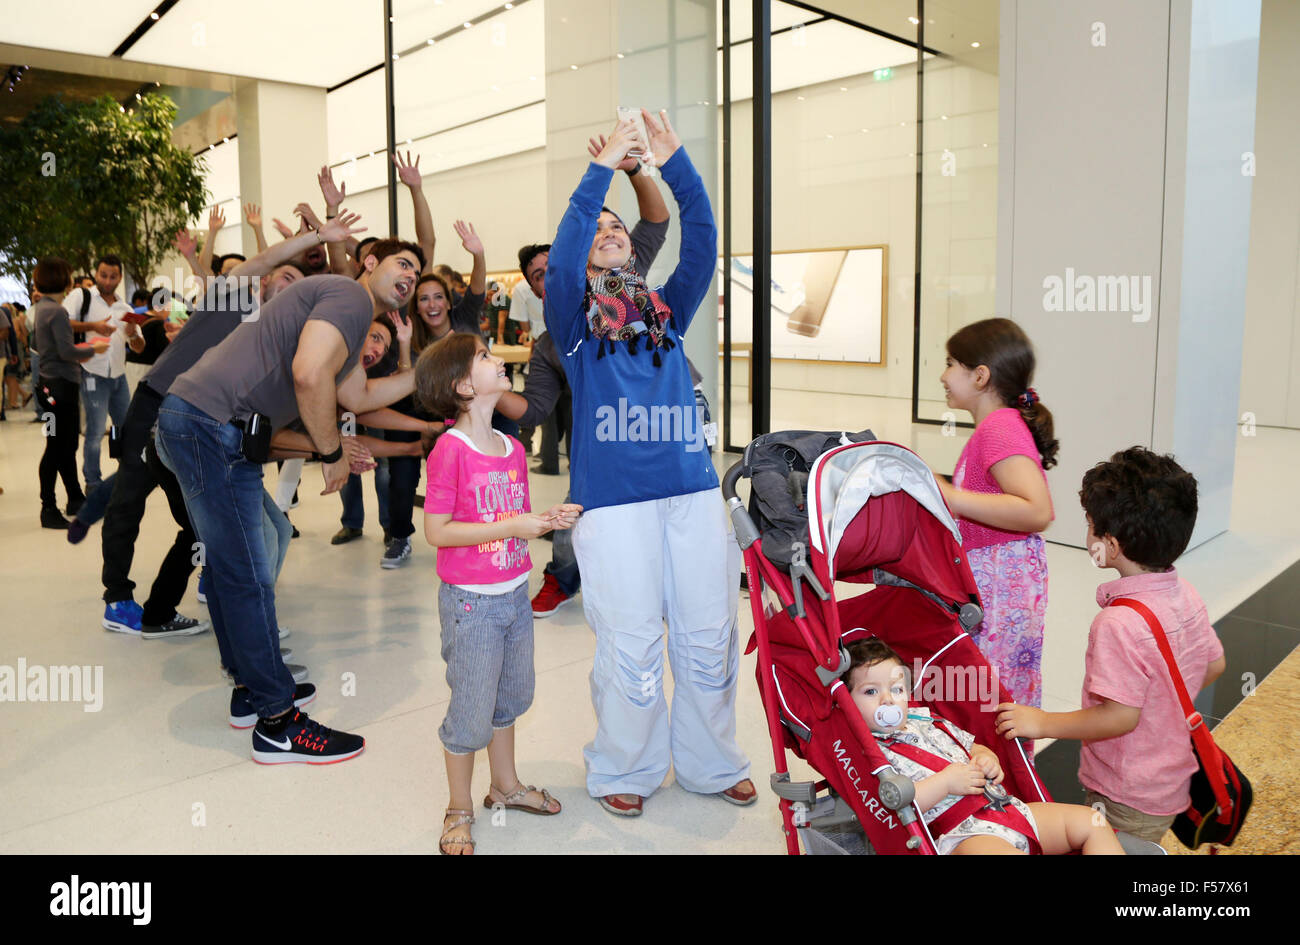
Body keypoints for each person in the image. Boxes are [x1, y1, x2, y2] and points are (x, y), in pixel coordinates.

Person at [546, 111, 752, 816]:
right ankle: (624, 766)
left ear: (633, 247)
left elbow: (704, 241)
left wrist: (674, 164)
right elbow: (570, 241)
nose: (607, 229)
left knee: (708, 635)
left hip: (692, 494)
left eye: (617, 226)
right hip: (614, 504)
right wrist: (603, 168)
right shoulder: (571, 324)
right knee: (630, 645)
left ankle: (711, 761)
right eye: (599, 227)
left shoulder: (666, 307)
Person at [154, 238, 424, 764]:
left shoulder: (344, 317)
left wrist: (434, 367)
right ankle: (277, 723)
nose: (412, 276)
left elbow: (359, 397)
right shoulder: (348, 297)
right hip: (212, 425)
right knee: (247, 576)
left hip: (208, 424)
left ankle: (252, 692)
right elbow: (308, 375)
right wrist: (331, 452)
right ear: (370, 264)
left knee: (240, 572)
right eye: (403, 264)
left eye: (418, 270)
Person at [99, 219, 357, 638]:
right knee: (129, 499)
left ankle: (175, 605)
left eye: (299, 286)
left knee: (200, 521)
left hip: (200, 424)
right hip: (158, 401)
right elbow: (265, 259)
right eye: (286, 279)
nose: (291, 289)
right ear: (266, 281)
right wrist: (315, 237)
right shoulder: (231, 301)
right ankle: (117, 598)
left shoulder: (284, 337)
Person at [995, 447, 1226, 843]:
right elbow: (1214, 665)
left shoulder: (1118, 624)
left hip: (1124, 793)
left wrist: (1042, 721)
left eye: (1090, 525)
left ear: (1111, 545)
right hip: (1170, 778)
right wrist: (1163, 710)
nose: (1087, 534)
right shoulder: (1186, 594)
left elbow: (1120, 718)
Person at [417, 332, 581, 854]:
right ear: (463, 384)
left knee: (511, 698)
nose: (498, 360)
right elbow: (438, 531)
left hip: (512, 593)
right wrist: (513, 525)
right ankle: (458, 806)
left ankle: (505, 787)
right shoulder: (450, 450)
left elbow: (510, 520)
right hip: (472, 602)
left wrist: (544, 521)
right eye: (485, 357)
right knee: (470, 708)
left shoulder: (511, 448)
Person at [842, 638, 1124, 854]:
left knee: (1091, 822)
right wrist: (945, 783)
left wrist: (985, 758)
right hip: (963, 834)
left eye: (897, 689)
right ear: (846, 705)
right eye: (870, 691)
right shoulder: (868, 753)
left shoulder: (924, 719)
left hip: (1006, 809)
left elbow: (972, 746)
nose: (888, 700)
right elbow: (890, 807)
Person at [933, 318, 1056, 710]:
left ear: (980, 375)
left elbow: (1036, 509)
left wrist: (953, 498)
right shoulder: (997, 426)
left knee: (990, 692)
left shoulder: (999, 428)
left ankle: (998, 767)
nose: (943, 374)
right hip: (998, 578)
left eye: (952, 363)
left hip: (1002, 582)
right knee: (993, 688)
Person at [32, 257, 110, 528]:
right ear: (62, 280)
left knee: (65, 446)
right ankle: (48, 507)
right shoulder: (56, 311)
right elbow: (66, 352)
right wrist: (94, 349)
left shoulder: (44, 307)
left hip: (52, 386)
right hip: (59, 388)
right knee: (56, 447)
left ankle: (75, 497)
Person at [65, 254, 145, 494]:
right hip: (92, 373)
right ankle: (93, 481)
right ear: (95, 273)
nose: (108, 281)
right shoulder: (82, 296)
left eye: (113, 276)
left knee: (125, 428)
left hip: (118, 375)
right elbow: (62, 322)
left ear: (120, 277)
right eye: (103, 275)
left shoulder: (125, 308)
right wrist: (94, 326)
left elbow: (140, 347)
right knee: (96, 430)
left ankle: (128, 474)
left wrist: (132, 334)